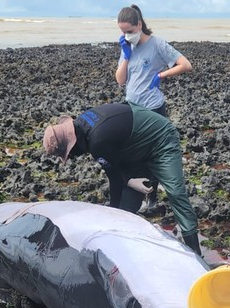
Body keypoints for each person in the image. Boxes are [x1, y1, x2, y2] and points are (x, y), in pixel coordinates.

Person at [42, 103, 202, 255]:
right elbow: (115, 172)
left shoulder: (97, 141)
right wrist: (114, 212)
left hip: (161, 139)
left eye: (70, 153)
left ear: (73, 143)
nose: (72, 157)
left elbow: (115, 177)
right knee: (126, 208)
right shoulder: (84, 124)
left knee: (175, 192)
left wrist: (128, 182)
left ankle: (195, 251)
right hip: (133, 148)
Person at [115, 4, 192, 118]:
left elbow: (186, 65)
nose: (127, 36)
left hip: (152, 108)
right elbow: (120, 80)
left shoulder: (157, 44)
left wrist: (161, 75)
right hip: (132, 106)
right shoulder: (127, 46)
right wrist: (126, 56)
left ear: (139, 24)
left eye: (130, 31)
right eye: (123, 32)